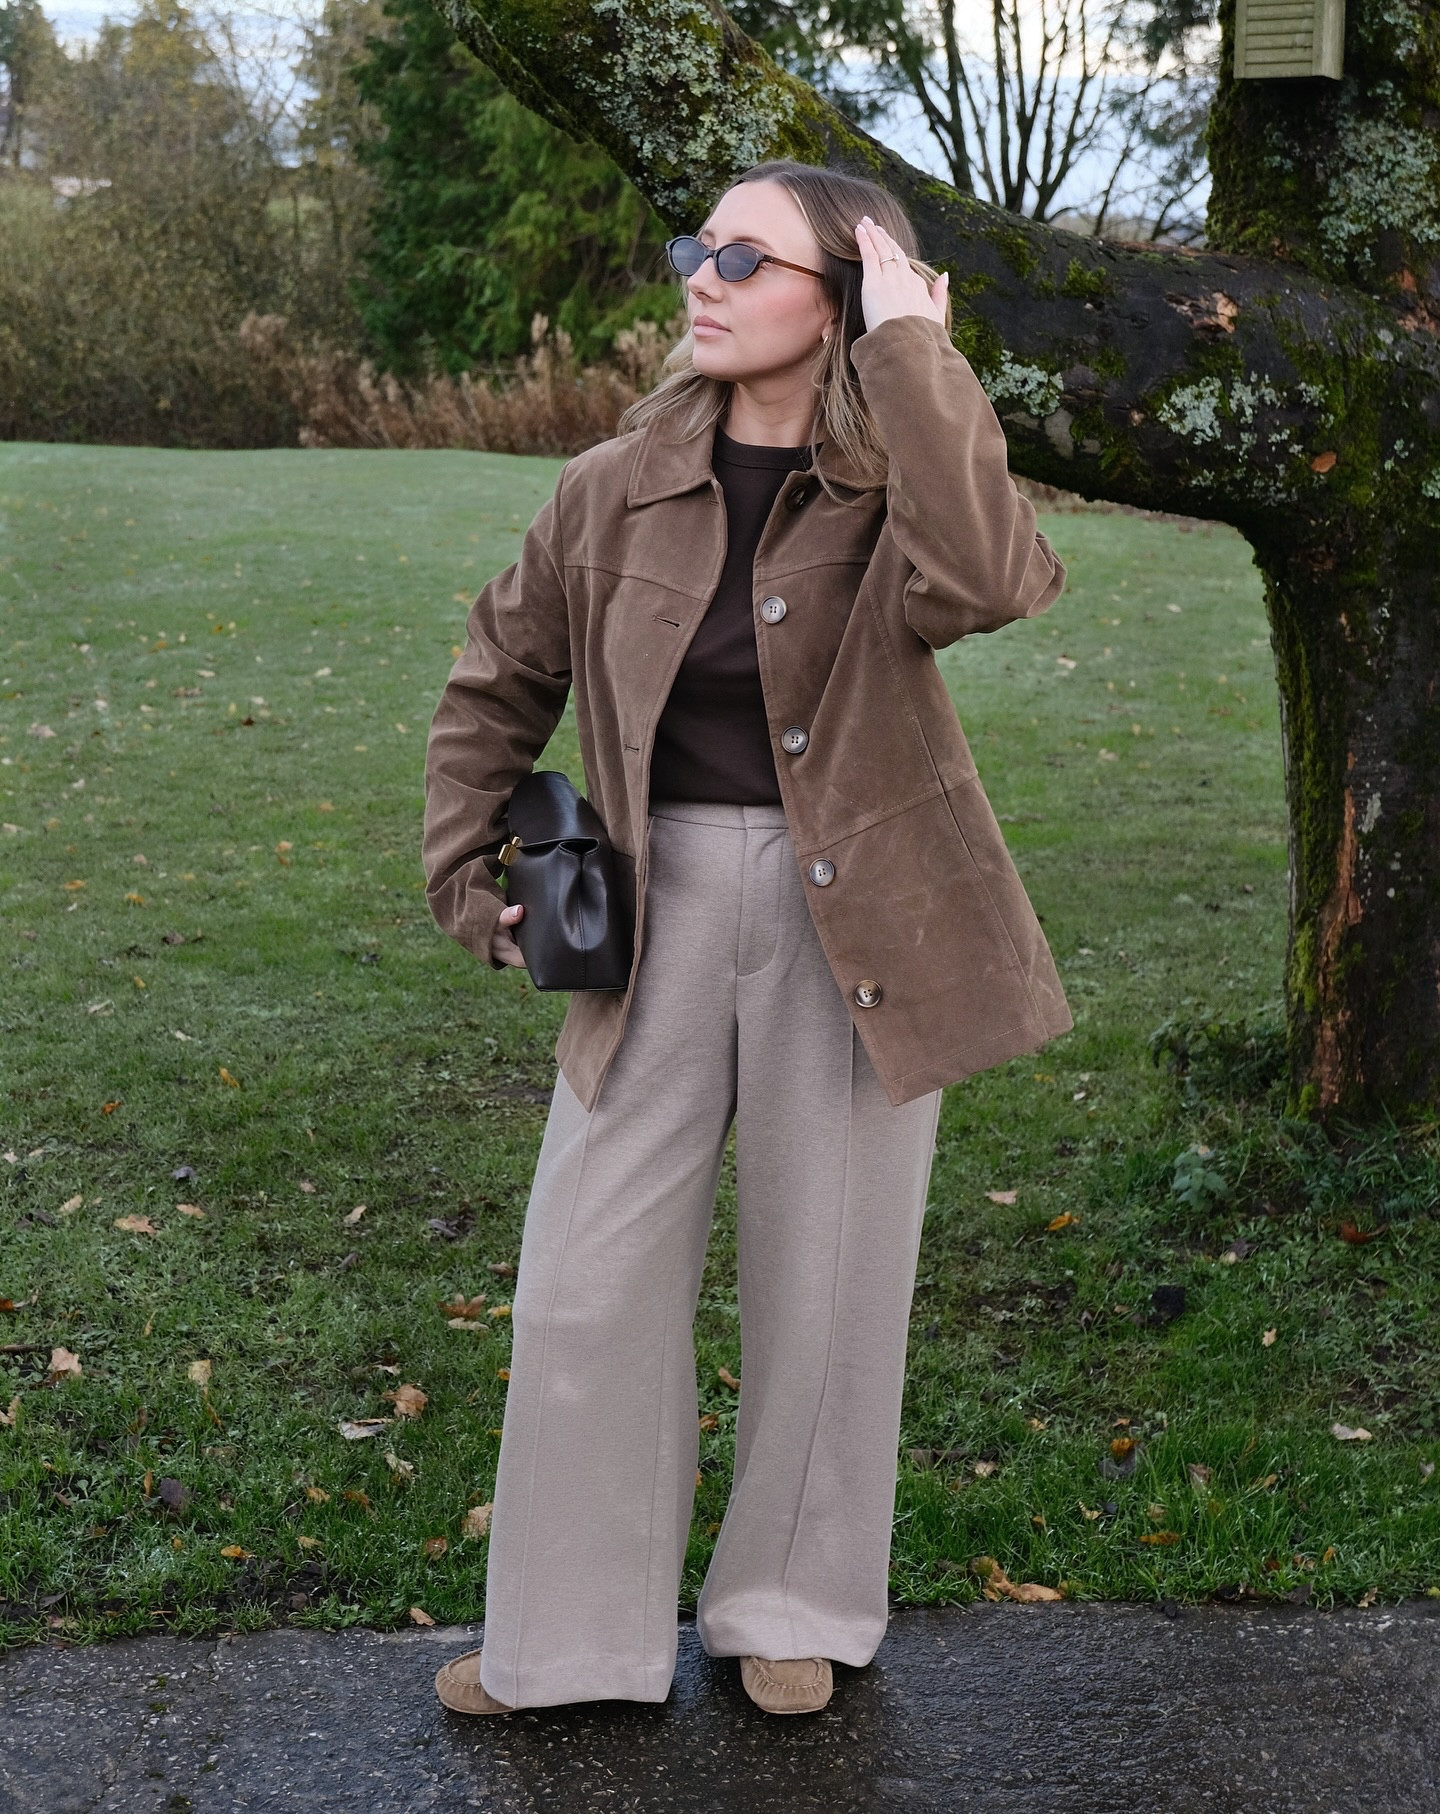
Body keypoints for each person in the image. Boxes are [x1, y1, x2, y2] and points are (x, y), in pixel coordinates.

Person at [421, 158, 1071, 1718]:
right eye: (696, 249)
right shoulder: (613, 484)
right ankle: (568, 1640)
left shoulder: (898, 488)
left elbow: (990, 578)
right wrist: (467, 866)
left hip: (865, 916)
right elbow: (498, 676)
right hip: (649, 909)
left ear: (839, 302)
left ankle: (794, 1604)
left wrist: (917, 352)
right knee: (585, 1280)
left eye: (745, 258)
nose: (699, 280)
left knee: (833, 1276)